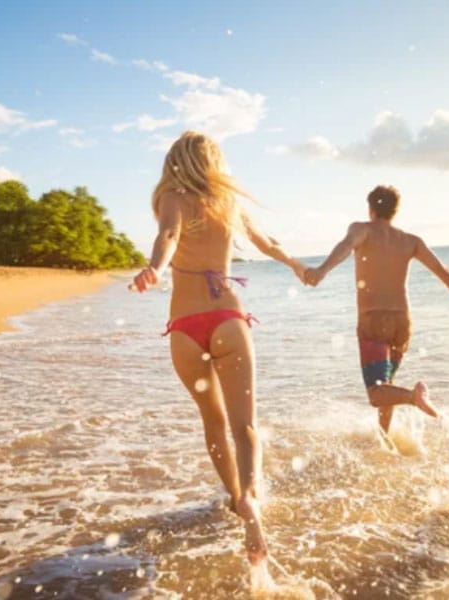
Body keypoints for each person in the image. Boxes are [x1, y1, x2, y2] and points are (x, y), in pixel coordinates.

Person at [129, 131, 306, 566]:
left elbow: (168, 234)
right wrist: (301, 266)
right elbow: (268, 245)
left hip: (186, 329)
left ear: (175, 161)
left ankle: (233, 496)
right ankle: (250, 497)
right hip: (228, 319)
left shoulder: (171, 195)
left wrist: (155, 268)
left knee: (214, 423)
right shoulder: (228, 201)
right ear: (213, 161)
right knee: (245, 425)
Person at [305, 185, 449, 433]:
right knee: (387, 385)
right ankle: (385, 438)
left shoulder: (362, 230)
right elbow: (443, 272)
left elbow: (346, 246)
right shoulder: (410, 241)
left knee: (375, 393)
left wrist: (321, 270)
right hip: (402, 323)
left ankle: (414, 397)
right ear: (395, 211)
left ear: (370, 209)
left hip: (373, 320)